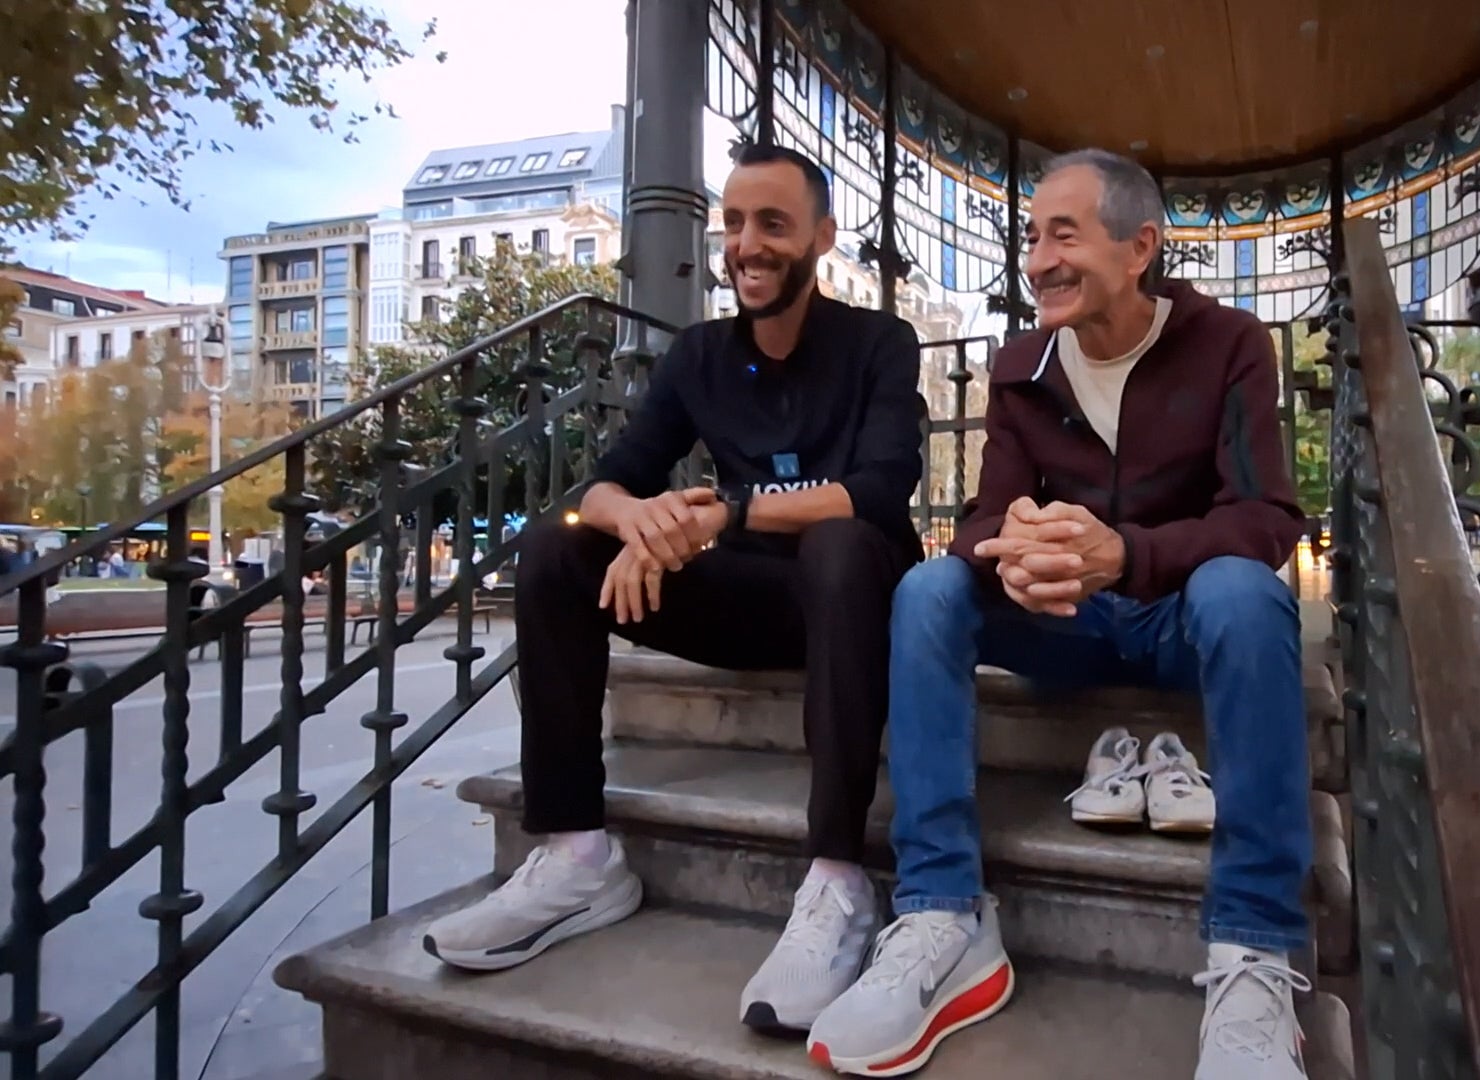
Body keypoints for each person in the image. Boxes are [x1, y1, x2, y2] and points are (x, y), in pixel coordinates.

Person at [807, 149, 1313, 1080]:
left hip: (1181, 624)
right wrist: (1016, 547)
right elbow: (984, 520)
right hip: (1063, 624)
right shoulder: (1019, 366)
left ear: (1139, 247)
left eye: (1063, 236)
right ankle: (940, 913)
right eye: (1031, 238)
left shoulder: (1231, 343)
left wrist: (1130, 552)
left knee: (1248, 589)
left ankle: (1254, 950)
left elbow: (1268, 517)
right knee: (927, 588)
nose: (1037, 260)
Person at [423, 144, 928, 1037]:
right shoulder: (698, 356)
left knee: (842, 543)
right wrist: (641, 525)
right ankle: (578, 853)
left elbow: (881, 492)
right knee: (555, 548)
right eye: (732, 224)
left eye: (771, 224)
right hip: (748, 606)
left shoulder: (878, 344)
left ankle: (838, 881)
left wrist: (724, 514)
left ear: (821, 236)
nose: (747, 245)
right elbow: (606, 484)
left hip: (856, 607)